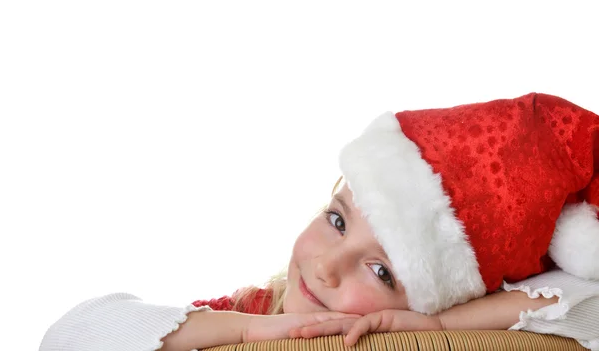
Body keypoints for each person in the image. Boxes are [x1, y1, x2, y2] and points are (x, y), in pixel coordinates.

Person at [40, 92, 599, 351]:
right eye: (338, 221)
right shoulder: (255, 311)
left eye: (382, 272)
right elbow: (68, 339)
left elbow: (589, 304)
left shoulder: (438, 333)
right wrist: (253, 332)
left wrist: (443, 326)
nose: (328, 266)